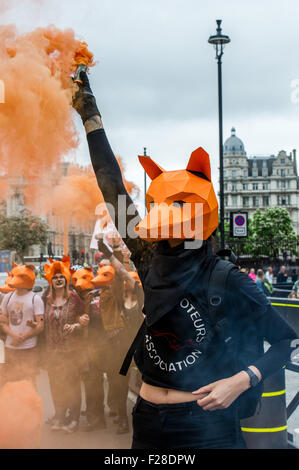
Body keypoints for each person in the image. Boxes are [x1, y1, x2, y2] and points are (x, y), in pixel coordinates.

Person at [72, 72, 298, 450]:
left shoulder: (228, 278)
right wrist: (90, 115)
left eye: (174, 206)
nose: (162, 217)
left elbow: (284, 343)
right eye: (159, 205)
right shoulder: (148, 258)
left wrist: (241, 380)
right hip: (146, 417)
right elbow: (112, 189)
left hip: (206, 424)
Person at [42, 257, 86, 433]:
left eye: (61, 277)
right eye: (55, 277)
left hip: (71, 351)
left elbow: (84, 319)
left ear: (66, 279)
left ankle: (74, 418)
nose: (58, 279)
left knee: (73, 384)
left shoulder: (74, 298)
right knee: (56, 385)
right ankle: (59, 416)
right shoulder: (46, 300)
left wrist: (76, 325)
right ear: (50, 281)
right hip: (52, 352)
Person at [0, 263, 44, 386]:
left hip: (29, 349)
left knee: (29, 381)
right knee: (11, 382)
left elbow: (40, 326)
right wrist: (13, 335)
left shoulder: (35, 299)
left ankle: (31, 404)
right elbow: (3, 322)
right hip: (11, 348)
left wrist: (23, 337)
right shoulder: (7, 298)